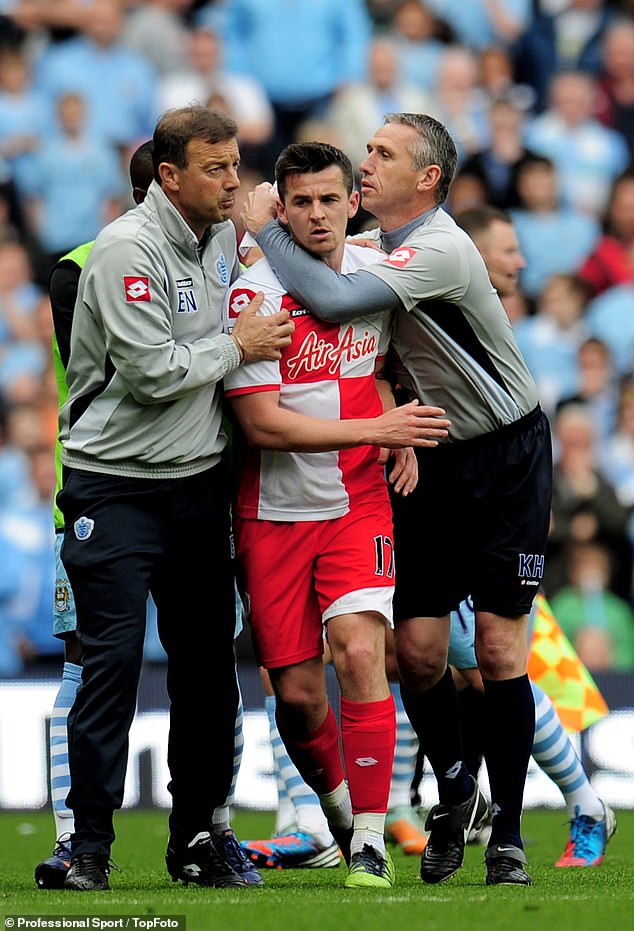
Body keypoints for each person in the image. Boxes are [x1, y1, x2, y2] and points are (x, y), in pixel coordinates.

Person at [243, 112, 554, 887]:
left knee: (497, 650)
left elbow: (333, 300)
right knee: (414, 652)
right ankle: (455, 791)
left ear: (427, 178)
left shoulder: (437, 247)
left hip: (505, 454)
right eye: (368, 150)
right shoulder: (377, 244)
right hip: (429, 449)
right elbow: (367, 341)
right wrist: (392, 408)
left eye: (383, 153)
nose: (367, 162)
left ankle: (510, 833)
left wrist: (266, 226)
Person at [55, 105, 294, 892]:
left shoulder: (219, 233)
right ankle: (88, 846)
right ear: (169, 176)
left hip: (196, 486)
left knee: (208, 671)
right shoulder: (128, 248)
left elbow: (258, 236)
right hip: (115, 484)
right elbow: (154, 372)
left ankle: (196, 836)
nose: (233, 181)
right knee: (112, 664)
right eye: (216, 168)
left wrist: (259, 222)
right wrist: (239, 345)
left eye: (235, 165)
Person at [223, 140, 450, 889]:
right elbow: (263, 426)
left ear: (353, 202)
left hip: (358, 504)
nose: (318, 214)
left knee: (358, 652)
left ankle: (372, 840)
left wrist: (396, 421)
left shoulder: (376, 274)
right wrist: (377, 427)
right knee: (295, 696)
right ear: (280, 209)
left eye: (330, 199)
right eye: (302, 202)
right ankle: (339, 812)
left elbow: (384, 364)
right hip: (273, 515)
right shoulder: (254, 296)